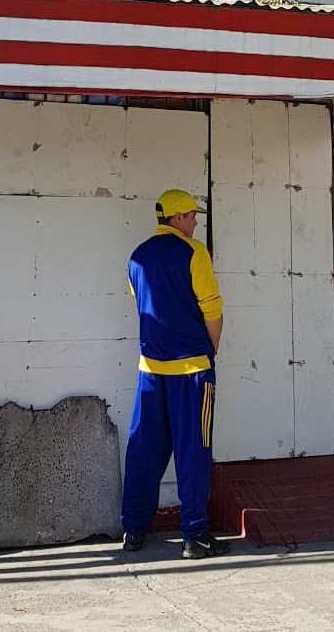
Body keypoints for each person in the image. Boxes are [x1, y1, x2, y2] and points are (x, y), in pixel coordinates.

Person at [121, 189, 230, 560]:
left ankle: (133, 529)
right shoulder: (193, 252)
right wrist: (210, 352)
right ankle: (194, 536)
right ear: (179, 218)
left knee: (143, 450)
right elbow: (212, 309)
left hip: (150, 371)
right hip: (192, 372)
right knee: (192, 451)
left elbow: (142, 308)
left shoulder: (136, 258)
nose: (196, 222)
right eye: (192, 216)